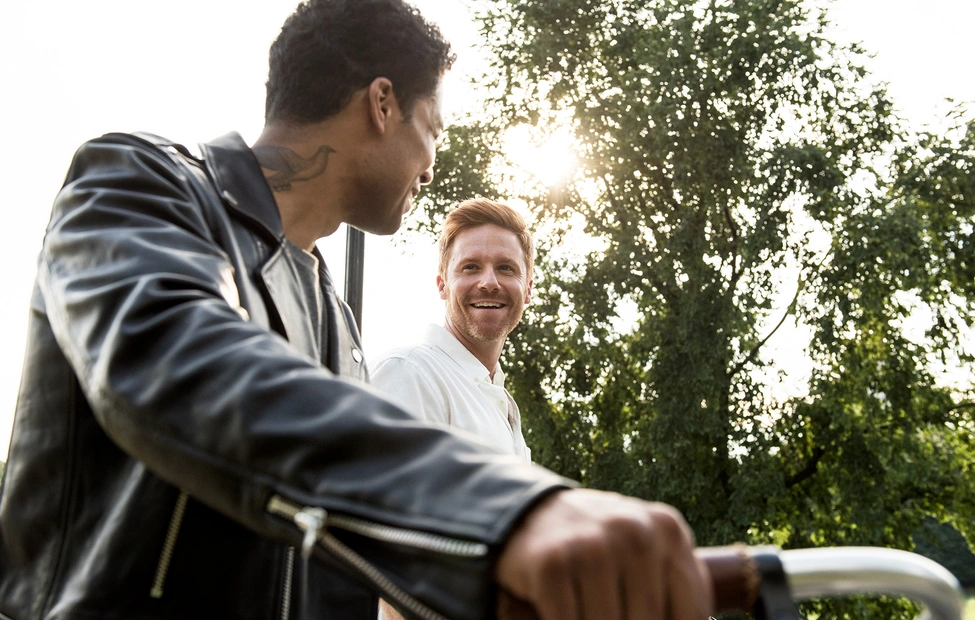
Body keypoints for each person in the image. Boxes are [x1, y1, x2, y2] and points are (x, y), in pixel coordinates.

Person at [0, 1, 713, 620]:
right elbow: (177, 361)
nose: (431, 163)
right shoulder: (140, 182)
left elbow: (357, 566)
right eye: (434, 129)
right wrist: (509, 507)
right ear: (382, 104)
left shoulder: (335, 321)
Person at [371, 199, 534, 462]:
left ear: (528, 289)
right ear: (442, 285)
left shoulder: (496, 398)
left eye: (505, 268)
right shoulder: (409, 373)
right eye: (471, 267)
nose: (489, 282)